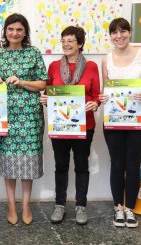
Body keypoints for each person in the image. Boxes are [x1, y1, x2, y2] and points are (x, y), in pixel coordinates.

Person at [0, 13, 48, 225]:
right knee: (9, 159)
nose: (15, 33)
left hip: (30, 116)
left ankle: (25, 205)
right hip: (5, 115)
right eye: (11, 29)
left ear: (25, 32)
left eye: (19, 30)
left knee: (28, 161)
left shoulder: (33, 53)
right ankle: (11, 205)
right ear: (5, 31)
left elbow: (43, 84)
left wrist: (22, 82)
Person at [99, 17, 141, 228]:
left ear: (130, 32)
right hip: (114, 121)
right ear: (111, 36)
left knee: (133, 164)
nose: (119, 36)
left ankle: (130, 209)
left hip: (140, 120)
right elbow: (105, 88)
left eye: (122, 31)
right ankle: (118, 208)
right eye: (114, 32)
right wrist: (102, 97)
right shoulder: (106, 59)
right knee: (117, 164)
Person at [40, 26, 100, 225]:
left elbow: (96, 95)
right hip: (60, 126)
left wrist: (95, 103)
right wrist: (45, 99)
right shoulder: (53, 66)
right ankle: (60, 205)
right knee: (61, 166)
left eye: (71, 41)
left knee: (82, 166)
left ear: (80, 44)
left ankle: (81, 206)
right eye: (63, 41)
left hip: (85, 125)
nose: (66, 45)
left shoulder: (91, 67)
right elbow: (50, 92)